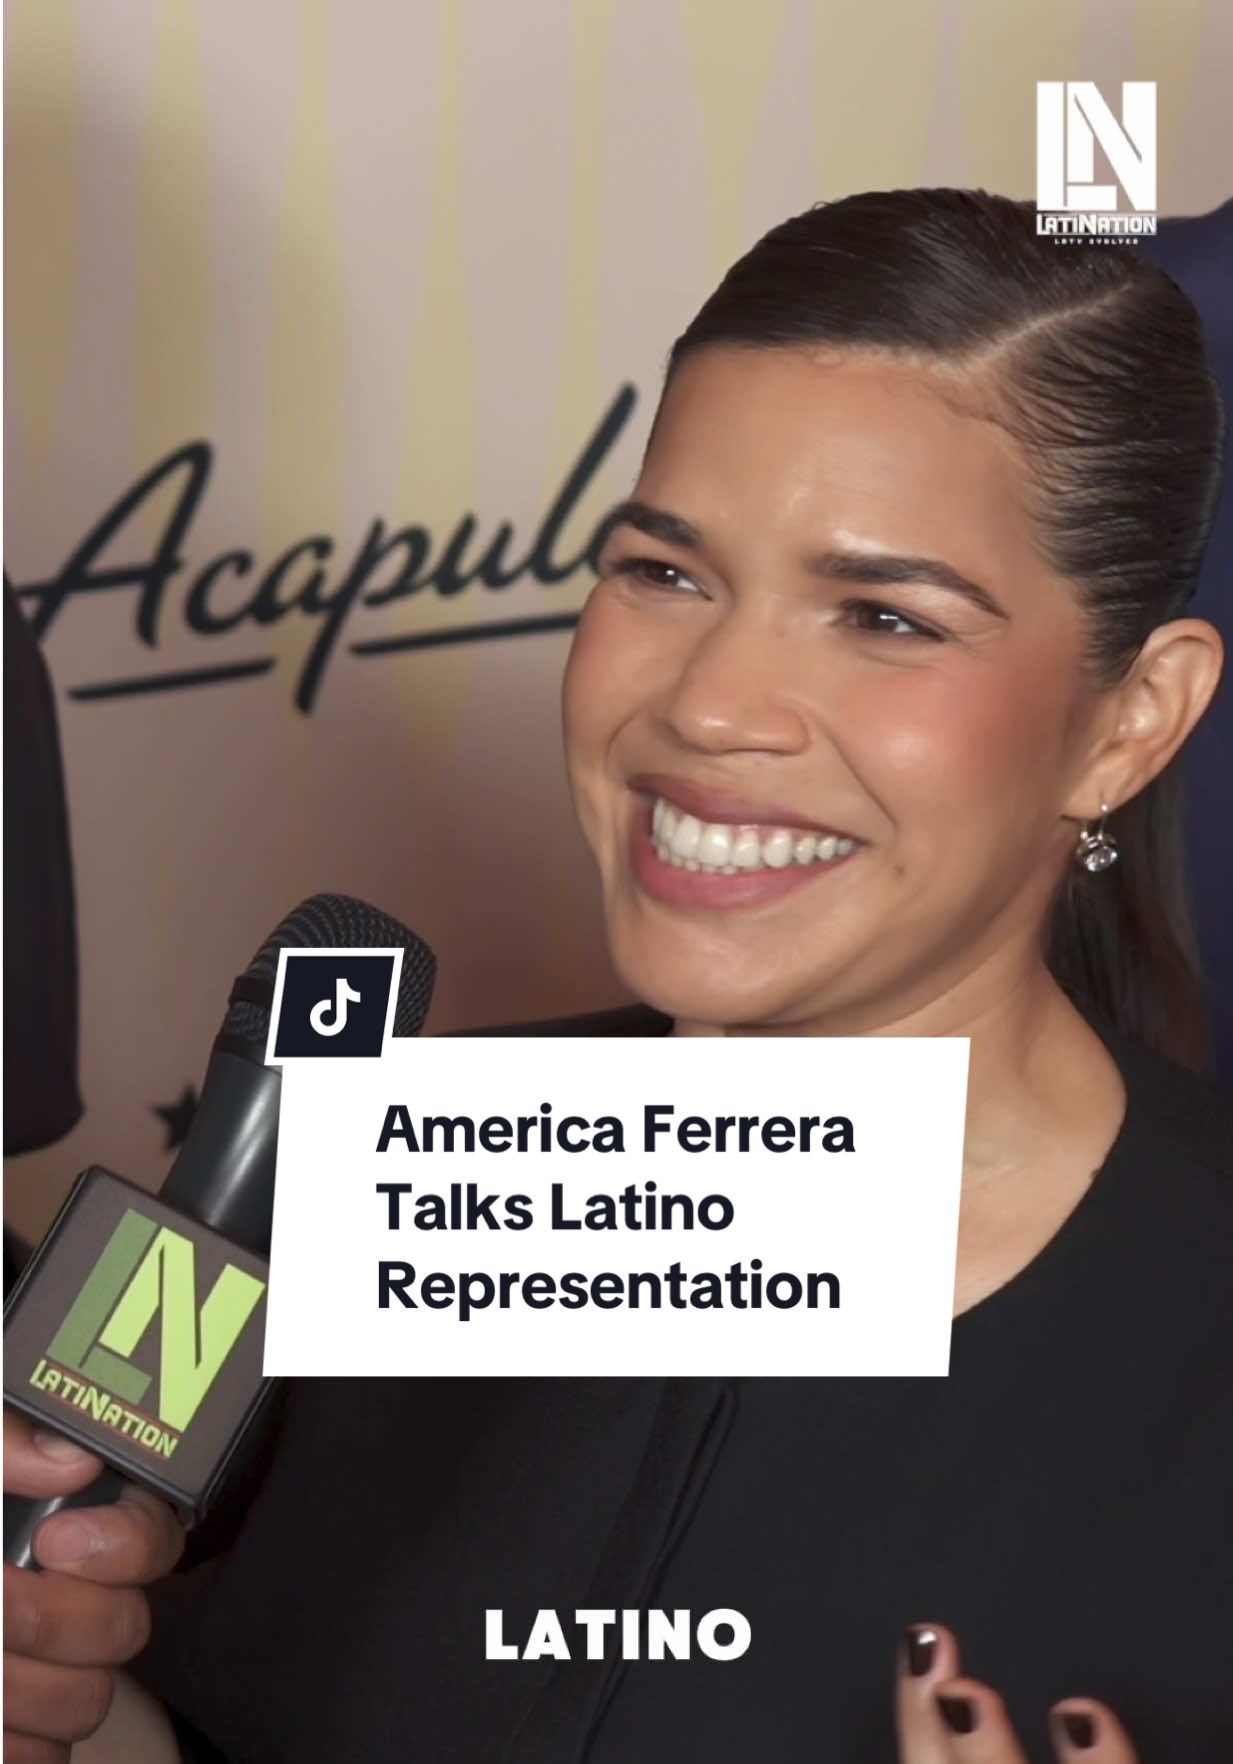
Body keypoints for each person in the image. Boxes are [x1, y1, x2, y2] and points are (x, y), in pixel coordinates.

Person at [5, 187, 1232, 1764]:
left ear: (1129, 720)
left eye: (881, 615)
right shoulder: (349, 1167)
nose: (713, 703)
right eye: (663, 573)